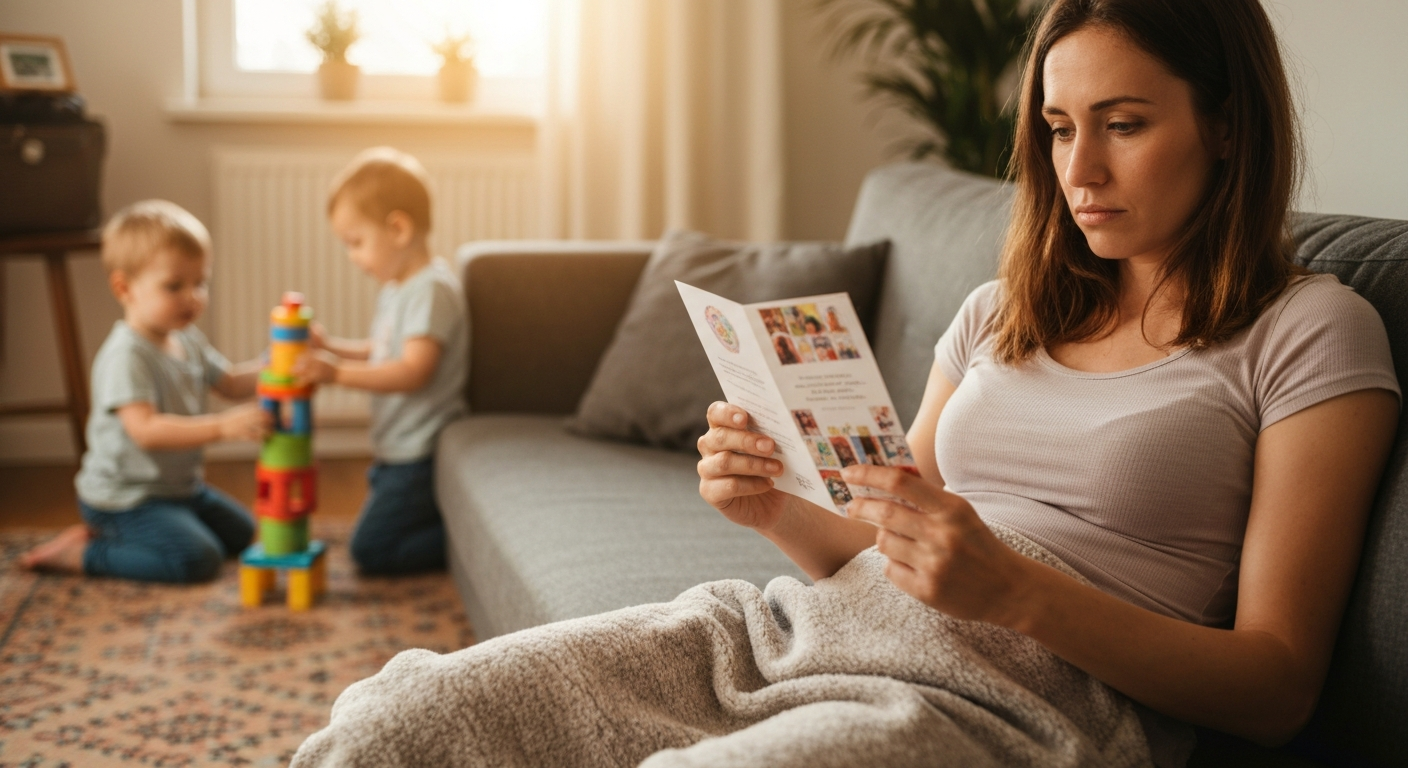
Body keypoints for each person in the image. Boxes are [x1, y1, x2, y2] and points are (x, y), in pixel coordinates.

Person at [291, 1, 1398, 766]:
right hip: (795, 634)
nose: (1079, 171)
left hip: (1023, 708)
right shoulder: (999, 312)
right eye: (1061, 129)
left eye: (1125, 125)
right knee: (400, 718)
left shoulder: (1308, 330)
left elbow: (1276, 688)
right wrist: (774, 509)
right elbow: (883, 541)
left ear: (1225, 125)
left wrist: (1016, 590)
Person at [20, 200, 268, 582]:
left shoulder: (188, 339)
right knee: (197, 560)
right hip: (126, 499)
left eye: (200, 283)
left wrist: (277, 364)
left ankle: (152, 530)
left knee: (242, 534)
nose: (192, 296)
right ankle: (86, 553)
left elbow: (232, 382)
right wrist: (222, 428)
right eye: (174, 286)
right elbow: (146, 431)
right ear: (125, 288)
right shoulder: (126, 355)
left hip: (180, 489)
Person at [294, 147, 468, 576]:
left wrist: (337, 373)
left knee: (371, 550)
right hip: (396, 448)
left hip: (420, 450)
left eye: (356, 243)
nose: (352, 256)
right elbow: (382, 351)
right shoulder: (398, 288)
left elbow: (412, 371)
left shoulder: (431, 290)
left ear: (398, 229)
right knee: (379, 523)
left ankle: (461, 545)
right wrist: (332, 348)